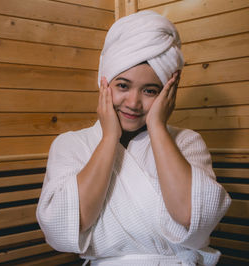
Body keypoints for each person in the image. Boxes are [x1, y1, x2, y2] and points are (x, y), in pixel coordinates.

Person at [36, 10, 231, 266]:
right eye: (123, 86)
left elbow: (192, 216)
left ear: (167, 94)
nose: (133, 103)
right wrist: (109, 139)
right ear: (104, 83)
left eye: (150, 90)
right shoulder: (71, 144)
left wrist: (158, 128)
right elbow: (66, 225)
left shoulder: (187, 142)